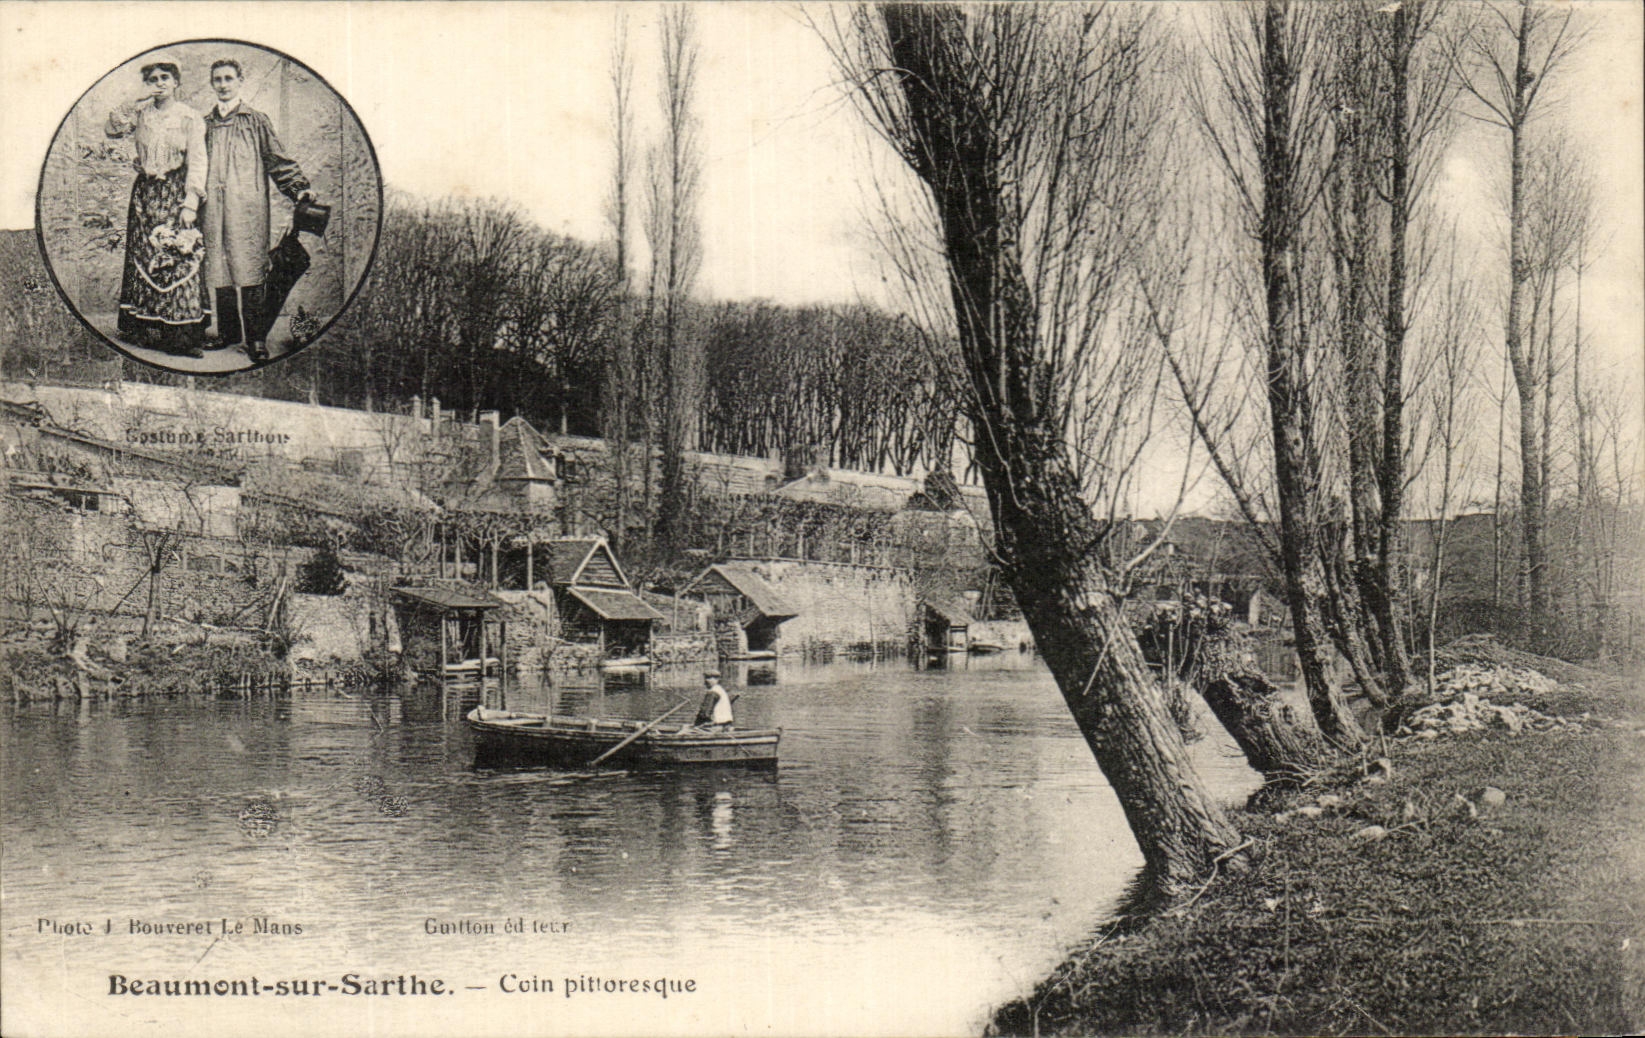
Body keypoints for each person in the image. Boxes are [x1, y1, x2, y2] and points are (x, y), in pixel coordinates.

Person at [201, 57, 315, 362]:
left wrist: (298, 187)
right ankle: (228, 333)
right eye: (218, 79)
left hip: (246, 208)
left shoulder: (256, 120)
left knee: (250, 267)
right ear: (212, 84)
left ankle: (256, 338)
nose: (223, 85)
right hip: (212, 209)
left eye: (228, 78)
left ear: (240, 81)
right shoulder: (204, 124)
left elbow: (277, 160)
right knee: (220, 267)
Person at [105, 56, 209, 359]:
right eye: (152, 79)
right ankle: (147, 330)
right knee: (145, 258)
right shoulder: (141, 114)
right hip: (145, 196)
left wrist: (191, 203)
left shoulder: (190, 117)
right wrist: (130, 103)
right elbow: (111, 129)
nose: (159, 84)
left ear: (176, 82)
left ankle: (180, 336)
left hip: (176, 194)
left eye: (165, 78)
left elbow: (198, 161)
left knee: (177, 256)